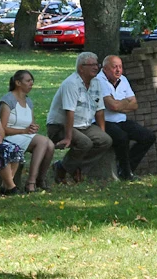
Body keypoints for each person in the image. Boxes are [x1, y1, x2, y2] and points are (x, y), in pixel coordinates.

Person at [46, 52, 114, 183]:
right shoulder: (71, 84)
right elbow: (69, 112)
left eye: (97, 64)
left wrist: (102, 131)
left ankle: (72, 167)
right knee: (85, 143)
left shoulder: (96, 83)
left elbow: (99, 110)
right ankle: (63, 168)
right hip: (60, 126)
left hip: (83, 125)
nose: (96, 67)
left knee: (105, 140)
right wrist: (68, 137)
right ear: (81, 68)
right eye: (92, 65)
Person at [97, 55, 155, 180]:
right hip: (103, 121)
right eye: (114, 67)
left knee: (148, 137)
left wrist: (118, 104)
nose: (118, 70)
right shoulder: (98, 81)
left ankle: (126, 169)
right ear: (105, 69)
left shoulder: (123, 79)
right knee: (122, 137)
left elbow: (135, 105)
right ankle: (126, 173)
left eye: (120, 67)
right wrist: (124, 102)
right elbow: (112, 106)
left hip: (120, 120)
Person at [0, 70, 55, 193]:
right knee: (42, 141)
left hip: (25, 136)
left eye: (32, 81)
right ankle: (31, 182)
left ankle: (41, 178)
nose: (31, 83)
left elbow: (31, 122)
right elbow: (2, 128)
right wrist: (24, 130)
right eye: (28, 81)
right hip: (10, 137)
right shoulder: (8, 101)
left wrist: (33, 127)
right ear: (18, 83)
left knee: (50, 145)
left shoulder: (28, 101)